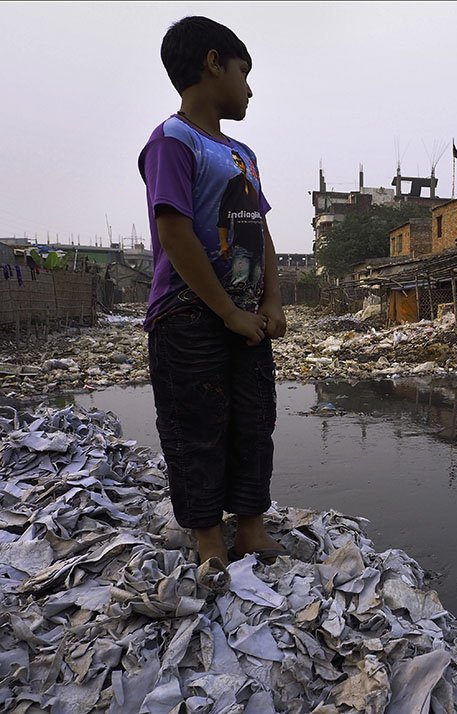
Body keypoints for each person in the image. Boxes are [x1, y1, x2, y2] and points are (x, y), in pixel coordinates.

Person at [138, 16, 287, 590]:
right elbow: (175, 234)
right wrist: (226, 310)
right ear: (212, 62)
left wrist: (271, 300)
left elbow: (262, 232)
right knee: (196, 423)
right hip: (188, 315)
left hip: (247, 317)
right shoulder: (172, 141)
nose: (250, 88)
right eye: (245, 73)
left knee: (254, 419)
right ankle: (206, 535)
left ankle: (250, 526)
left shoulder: (243, 154)